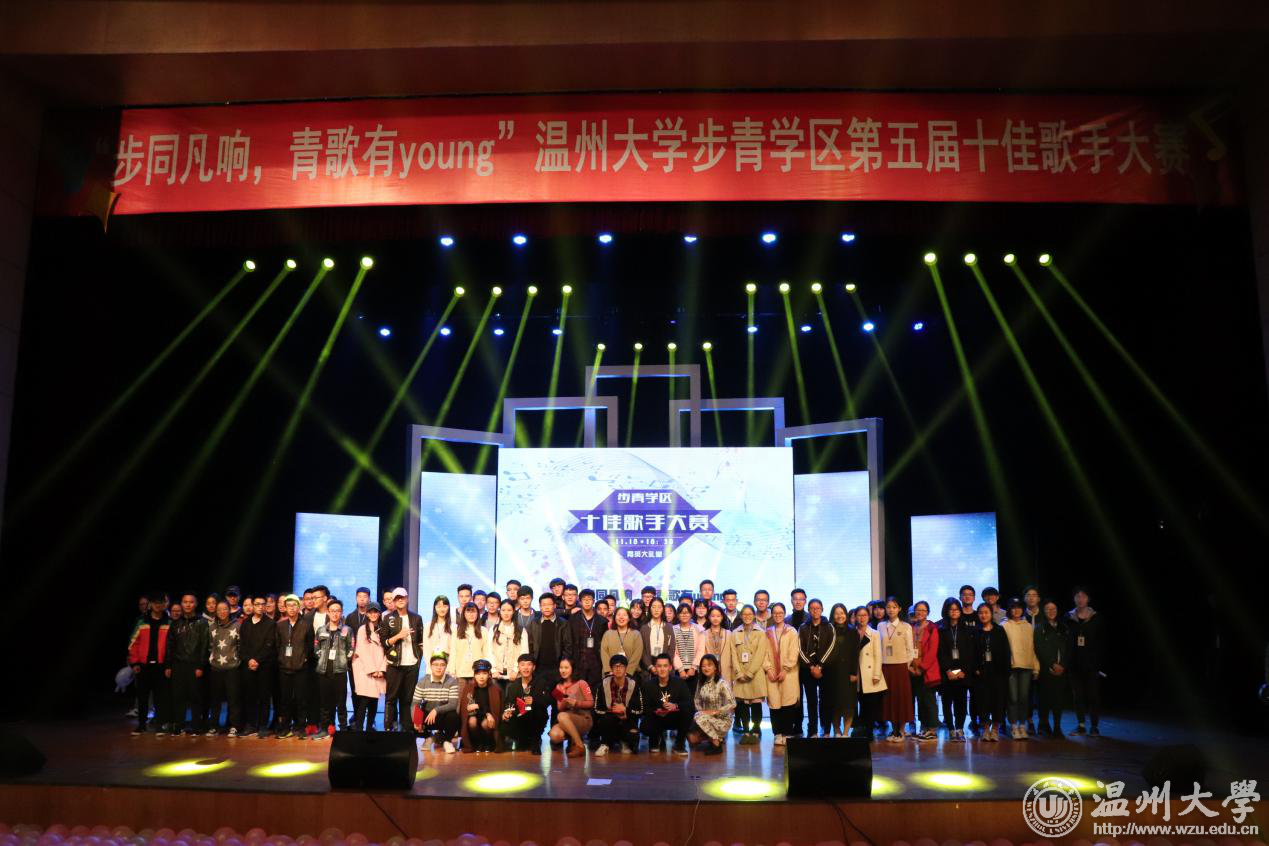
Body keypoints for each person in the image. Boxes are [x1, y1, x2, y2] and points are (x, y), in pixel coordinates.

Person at [380, 587, 424, 733]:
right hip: (394, 664)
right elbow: (384, 643)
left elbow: (421, 642)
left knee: (408, 699)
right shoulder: (388, 618)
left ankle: (407, 729)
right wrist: (399, 635)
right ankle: (388, 728)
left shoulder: (416, 618)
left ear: (407, 598)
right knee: (391, 698)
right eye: (397, 598)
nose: (400, 600)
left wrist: (418, 659)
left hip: (412, 663)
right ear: (393, 601)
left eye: (402, 597)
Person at [166, 593, 209, 736]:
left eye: (191, 602)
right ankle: (178, 726)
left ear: (195, 604)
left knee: (196, 697)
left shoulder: (202, 622)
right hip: (178, 665)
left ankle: (196, 727)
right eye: (185, 602)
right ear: (181, 604)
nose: (188, 604)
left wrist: (200, 665)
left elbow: (204, 645)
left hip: (194, 665)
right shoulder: (175, 623)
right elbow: (170, 645)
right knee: (178, 696)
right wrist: (168, 665)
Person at [128, 593, 170, 735]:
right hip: (143, 666)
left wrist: (168, 665)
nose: (158, 605)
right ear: (150, 604)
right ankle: (141, 725)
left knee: (161, 698)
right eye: (155, 602)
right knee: (142, 697)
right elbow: (133, 643)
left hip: (161, 666)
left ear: (164, 604)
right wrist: (135, 663)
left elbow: (171, 646)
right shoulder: (142, 622)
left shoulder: (169, 622)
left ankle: (160, 726)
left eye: (160, 602)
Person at [729, 604, 771, 744]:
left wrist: (750, 672)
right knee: (742, 704)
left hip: (756, 673)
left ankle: (756, 729)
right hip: (740, 674)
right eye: (744, 614)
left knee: (756, 703)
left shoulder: (761, 632)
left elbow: (760, 654)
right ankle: (746, 731)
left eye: (750, 614)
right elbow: (733, 655)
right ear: (741, 616)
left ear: (754, 615)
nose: (747, 616)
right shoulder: (735, 633)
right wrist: (739, 672)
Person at [1066, 587, 1104, 736]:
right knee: (1078, 696)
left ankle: (1094, 726)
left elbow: (1102, 642)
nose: (1080, 599)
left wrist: (1099, 664)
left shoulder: (1096, 617)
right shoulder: (1068, 617)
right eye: (1077, 596)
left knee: (1093, 696)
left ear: (1088, 599)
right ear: (1074, 599)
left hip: (1092, 665)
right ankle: (1081, 725)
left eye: (1083, 596)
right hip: (1074, 665)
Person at [276, 593, 314, 739]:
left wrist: (304, 659)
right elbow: (277, 645)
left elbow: (310, 645)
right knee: (285, 699)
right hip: (284, 667)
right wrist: (281, 659)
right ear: (285, 608)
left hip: (301, 668)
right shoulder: (280, 625)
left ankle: (301, 727)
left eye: (294, 605)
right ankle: (285, 728)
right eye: (289, 606)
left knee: (301, 699)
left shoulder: (306, 625)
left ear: (299, 607)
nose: (291, 608)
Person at [1002, 596, 1040, 739]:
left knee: (1024, 698)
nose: (1016, 610)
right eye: (1013, 607)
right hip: (1011, 667)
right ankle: (1013, 726)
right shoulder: (1004, 625)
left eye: (1019, 607)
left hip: (1026, 666)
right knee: (1013, 698)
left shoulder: (1028, 626)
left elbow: (1033, 647)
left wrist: (1036, 667)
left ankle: (1022, 726)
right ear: (1009, 610)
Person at [1034, 599, 1073, 737]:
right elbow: (1039, 648)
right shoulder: (1039, 628)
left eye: (1054, 609)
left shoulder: (1064, 627)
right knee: (1044, 700)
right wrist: (1052, 664)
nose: (1051, 611)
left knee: (1058, 700)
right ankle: (1044, 725)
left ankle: (1057, 727)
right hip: (1046, 669)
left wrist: (1063, 665)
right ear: (1043, 611)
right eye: (1048, 609)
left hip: (1062, 670)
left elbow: (1069, 648)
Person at [936, 598, 974, 740]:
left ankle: (960, 728)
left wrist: (963, 670)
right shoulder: (941, 630)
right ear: (946, 611)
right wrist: (948, 670)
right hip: (947, 673)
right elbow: (940, 653)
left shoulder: (966, 629)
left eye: (957, 609)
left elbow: (969, 653)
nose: (954, 612)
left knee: (961, 702)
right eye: (951, 609)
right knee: (947, 703)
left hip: (962, 673)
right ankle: (951, 729)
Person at [972, 602, 1010, 741]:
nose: (983, 615)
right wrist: (975, 669)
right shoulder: (975, 631)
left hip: (998, 673)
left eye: (986, 612)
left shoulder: (999, 630)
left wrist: (1005, 671)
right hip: (981, 673)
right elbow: (971, 653)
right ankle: (985, 729)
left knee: (998, 702)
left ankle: (995, 729)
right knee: (983, 702)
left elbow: (1006, 651)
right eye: (981, 613)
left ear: (991, 614)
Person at [878, 596, 914, 742]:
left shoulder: (906, 626)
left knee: (901, 698)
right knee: (889, 699)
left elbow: (910, 650)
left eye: (894, 607)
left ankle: (901, 730)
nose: (891, 610)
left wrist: (905, 666)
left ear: (899, 609)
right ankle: (893, 730)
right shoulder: (881, 626)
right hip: (885, 667)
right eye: (888, 607)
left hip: (901, 667)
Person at [641, 653, 693, 754]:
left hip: (674, 717)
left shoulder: (679, 683)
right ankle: (656, 739)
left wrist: (675, 705)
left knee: (688, 712)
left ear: (670, 668)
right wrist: (657, 710)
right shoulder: (648, 685)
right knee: (644, 725)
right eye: (659, 666)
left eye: (665, 666)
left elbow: (689, 703)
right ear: (655, 668)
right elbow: (644, 708)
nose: (662, 669)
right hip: (657, 718)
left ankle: (679, 744)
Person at [314, 598, 352, 736]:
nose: (335, 614)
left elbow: (351, 649)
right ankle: (326, 728)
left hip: (339, 671)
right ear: (328, 613)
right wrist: (321, 657)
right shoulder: (321, 630)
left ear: (341, 613)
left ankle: (343, 729)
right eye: (332, 611)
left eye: (338, 611)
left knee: (341, 703)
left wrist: (344, 660)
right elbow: (316, 647)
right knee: (325, 702)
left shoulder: (347, 630)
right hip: (323, 671)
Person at [240, 595, 277, 737]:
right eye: (257, 604)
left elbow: (269, 645)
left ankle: (263, 726)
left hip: (264, 666)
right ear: (253, 605)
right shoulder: (246, 623)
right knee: (250, 696)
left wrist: (257, 660)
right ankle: (251, 725)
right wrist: (249, 660)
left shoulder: (270, 623)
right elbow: (242, 645)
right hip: (248, 665)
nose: (260, 607)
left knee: (264, 697)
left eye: (263, 604)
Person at [798, 598, 835, 737]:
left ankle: (826, 729)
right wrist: (811, 667)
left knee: (825, 700)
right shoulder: (803, 627)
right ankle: (812, 729)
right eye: (812, 608)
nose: (815, 610)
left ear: (822, 609)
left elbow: (831, 647)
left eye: (817, 608)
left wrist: (820, 666)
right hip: (808, 670)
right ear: (808, 610)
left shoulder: (829, 627)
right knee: (811, 701)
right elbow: (800, 649)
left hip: (826, 669)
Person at [765, 602, 801, 745]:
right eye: (775, 613)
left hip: (789, 673)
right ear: (772, 615)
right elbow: (763, 653)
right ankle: (777, 733)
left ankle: (787, 732)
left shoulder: (792, 631)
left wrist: (785, 669)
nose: (778, 615)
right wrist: (768, 669)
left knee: (788, 704)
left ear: (785, 614)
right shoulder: (767, 632)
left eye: (780, 613)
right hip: (772, 673)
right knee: (774, 704)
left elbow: (794, 651)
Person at [205, 599, 243, 736]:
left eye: (225, 609)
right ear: (216, 611)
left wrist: (237, 659)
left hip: (232, 668)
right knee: (215, 699)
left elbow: (241, 646)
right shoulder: (211, 627)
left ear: (229, 610)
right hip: (216, 668)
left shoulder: (237, 625)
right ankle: (213, 726)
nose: (222, 612)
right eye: (219, 609)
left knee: (233, 699)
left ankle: (234, 726)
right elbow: (210, 646)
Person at [592, 654, 643, 755]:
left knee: (633, 739)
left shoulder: (634, 685)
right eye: (615, 666)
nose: (618, 669)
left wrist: (625, 711)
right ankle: (605, 744)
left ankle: (625, 742)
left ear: (626, 668)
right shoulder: (603, 684)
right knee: (606, 720)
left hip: (628, 718)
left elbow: (640, 710)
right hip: (609, 719)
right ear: (611, 669)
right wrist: (612, 711)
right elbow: (596, 709)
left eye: (621, 666)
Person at [502, 654, 552, 754]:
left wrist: (534, 701)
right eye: (522, 665)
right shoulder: (513, 686)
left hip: (536, 717)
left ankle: (535, 740)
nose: (525, 668)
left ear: (534, 667)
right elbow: (509, 703)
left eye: (529, 664)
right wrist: (507, 712)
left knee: (535, 713)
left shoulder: (541, 682)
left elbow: (547, 701)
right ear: (518, 668)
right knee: (503, 722)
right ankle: (521, 739)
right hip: (519, 718)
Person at [411, 652, 460, 753]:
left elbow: (453, 704)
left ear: (446, 666)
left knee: (454, 717)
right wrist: (416, 719)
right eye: (436, 665)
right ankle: (428, 737)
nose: (439, 668)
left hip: (443, 715)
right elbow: (415, 703)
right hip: (428, 715)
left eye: (442, 665)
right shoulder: (422, 681)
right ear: (431, 666)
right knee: (412, 717)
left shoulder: (452, 681)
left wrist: (436, 710)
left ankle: (447, 741)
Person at [547, 656, 594, 757]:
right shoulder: (558, 687)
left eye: (566, 667)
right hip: (567, 719)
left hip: (583, 718)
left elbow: (591, 702)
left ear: (572, 669)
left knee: (561, 716)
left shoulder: (581, 683)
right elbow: (560, 708)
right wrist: (564, 702)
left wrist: (577, 703)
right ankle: (573, 739)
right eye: (561, 667)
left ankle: (580, 746)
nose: (563, 670)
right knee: (554, 735)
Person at [688, 653, 734, 755]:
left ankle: (716, 744)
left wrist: (715, 712)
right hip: (706, 717)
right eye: (703, 666)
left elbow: (732, 703)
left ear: (715, 667)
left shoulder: (722, 683)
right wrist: (702, 711)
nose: (706, 668)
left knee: (698, 716)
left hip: (722, 719)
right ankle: (712, 738)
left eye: (709, 665)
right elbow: (696, 699)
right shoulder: (701, 682)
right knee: (691, 738)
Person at [825, 602, 859, 738]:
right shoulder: (828, 630)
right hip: (832, 673)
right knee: (835, 704)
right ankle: (837, 730)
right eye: (837, 613)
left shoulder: (853, 631)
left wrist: (853, 673)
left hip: (848, 673)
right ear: (832, 615)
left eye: (842, 613)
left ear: (846, 614)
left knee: (848, 704)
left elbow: (855, 654)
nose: (840, 616)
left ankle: (846, 732)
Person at [351, 603, 387, 731]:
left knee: (374, 700)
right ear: (367, 614)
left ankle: (369, 727)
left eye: (375, 612)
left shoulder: (384, 629)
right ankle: (359, 728)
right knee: (364, 699)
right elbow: (362, 651)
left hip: (379, 668)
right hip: (365, 669)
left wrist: (382, 669)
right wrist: (372, 670)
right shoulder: (362, 629)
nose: (373, 614)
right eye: (370, 612)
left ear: (379, 613)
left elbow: (388, 650)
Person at [909, 600, 940, 741]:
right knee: (920, 701)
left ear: (927, 613)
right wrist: (910, 667)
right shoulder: (911, 627)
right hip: (912, 670)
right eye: (918, 610)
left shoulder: (932, 628)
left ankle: (932, 730)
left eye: (923, 610)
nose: (920, 612)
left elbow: (932, 652)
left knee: (929, 701)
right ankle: (924, 727)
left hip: (927, 671)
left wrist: (921, 668)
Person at [527, 593, 573, 689]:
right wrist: (532, 663)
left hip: (557, 668)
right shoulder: (534, 623)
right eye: (543, 605)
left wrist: (563, 666)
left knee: (556, 694)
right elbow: (530, 645)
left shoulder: (563, 623)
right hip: (538, 668)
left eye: (549, 604)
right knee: (539, 693)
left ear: (554, 606)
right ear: (540, 607)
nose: (546, 607)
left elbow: (568, 646)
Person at [458, 659, 503, 753]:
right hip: (475, 715)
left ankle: (488, 743)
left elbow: (497, 709)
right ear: (474, 675)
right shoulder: (468, 688)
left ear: (489, 674)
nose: (481, 677)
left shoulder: (495, 689)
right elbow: (464, 710)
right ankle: (477, 743)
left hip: (488, 718)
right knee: (472, 721)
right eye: (478, 674)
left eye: (484, 673)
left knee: (486, 723)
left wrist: (488, 714)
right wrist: (469, 708)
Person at [854, 605, 886, 737]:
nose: (862, 618)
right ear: (855, 617)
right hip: (857, 674)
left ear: (869, 617)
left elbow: (878, 655)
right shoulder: (852, 632)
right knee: (861, 703)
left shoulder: (875, 633)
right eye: (859, 615)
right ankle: (861, 731)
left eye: (865, 615)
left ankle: (869, 732)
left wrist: (877, 674)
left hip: (871, 673)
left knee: (871, 705)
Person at [568, 588, 609, 690]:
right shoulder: (573, 619)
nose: (587, 602)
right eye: (584, 599)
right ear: (580, 601)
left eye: (589, 599)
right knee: (579, 692)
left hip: (596, 663)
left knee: (595, 691)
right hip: (578, 663)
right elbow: (569, 641)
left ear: (593, 601)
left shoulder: (602, 621)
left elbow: (605, 644)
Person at [451, 602, 489, 683]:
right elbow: (453, 652)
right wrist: (452, 670)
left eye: (473, 611)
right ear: (464, 614)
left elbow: (486, 652)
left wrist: (487, 670)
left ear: (477, 614)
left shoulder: (483, 631)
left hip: (478, 673)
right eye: (468, 611)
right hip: (460, 673)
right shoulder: (456, 630)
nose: (471, 614)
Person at [599, 606, 643, 676]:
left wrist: (628, 671)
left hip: (631, 674)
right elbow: (604, 653)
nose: (621, 617)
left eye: (624, 615)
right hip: (611, 674)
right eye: (618, 615)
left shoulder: (636, 634)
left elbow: (637, 655)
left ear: (629, 618)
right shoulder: (608, 634)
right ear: (615, 618)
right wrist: (609, 671)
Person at [671, 603, 705, 692]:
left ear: (691, 614)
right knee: (678, 695)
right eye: (681, 613)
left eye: (686, 612)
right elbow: (673, 651)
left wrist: (693, 667)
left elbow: (701, 650)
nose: (684, 615)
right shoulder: (673, 629)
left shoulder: (699, 629)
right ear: (677, 615)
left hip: (694, 670)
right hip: (678, 670)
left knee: (694, 695)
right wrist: (680, 669)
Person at [489, 599, 524, 686]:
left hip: (514, 675)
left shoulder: (521, 630)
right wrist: (493, 670)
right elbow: (489, 651)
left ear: (513, 612)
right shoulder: (494, 629)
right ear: (499, 611)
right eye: (503, 610)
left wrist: (516, 670)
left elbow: (524, 652)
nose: (506, 613)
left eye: (509, 610)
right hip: (496, 674)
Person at [640, 597, 677, 674]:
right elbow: (642, 650)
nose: (656, 610)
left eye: (659, 607)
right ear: (650, 609)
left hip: (665, 664)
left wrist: (665, 665)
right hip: (648, 665)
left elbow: (672, 648)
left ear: (663, 609)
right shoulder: (644, 628)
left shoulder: (669, 627)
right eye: (653, 607)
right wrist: (650, 666)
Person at [701, 606, 732, 681]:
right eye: (713, 616)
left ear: (722, 617)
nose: (715, 619)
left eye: (718, 616)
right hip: (709, 669)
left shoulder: (728, 633)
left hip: (726, 669)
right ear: (709, 617)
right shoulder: (704, 634)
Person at [424, 596, 453, 662]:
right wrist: (429, 665)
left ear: (448, 608)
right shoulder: (428, 626)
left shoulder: (454, 627)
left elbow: (453, 650)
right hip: (432, 664)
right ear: (435, 608)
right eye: (439, 606)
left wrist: (450, 666)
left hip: (448, 664)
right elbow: (426, 649)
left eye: (444, 606)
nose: (442, 609)